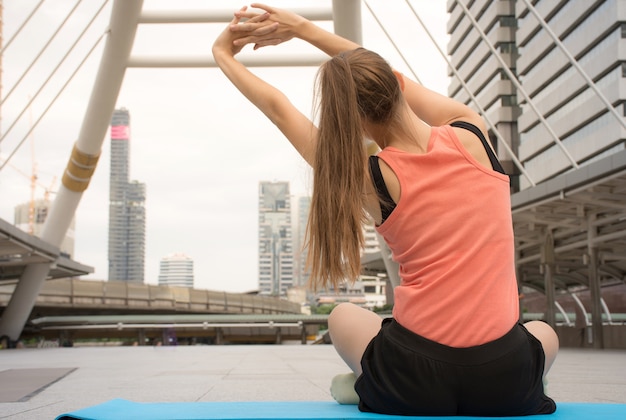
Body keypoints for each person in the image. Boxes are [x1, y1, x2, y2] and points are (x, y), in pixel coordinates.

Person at [212, 4, 559, 416]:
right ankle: (383, 383)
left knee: (343, 316)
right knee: (542, 333)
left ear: (354, 123)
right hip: (506, 383)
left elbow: (278, 109)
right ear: (397, 83)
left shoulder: (369, 178)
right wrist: (304, 29)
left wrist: (222, 55)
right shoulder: (473, 133)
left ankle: (368, 382)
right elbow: (384, 77)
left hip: (411, 381)